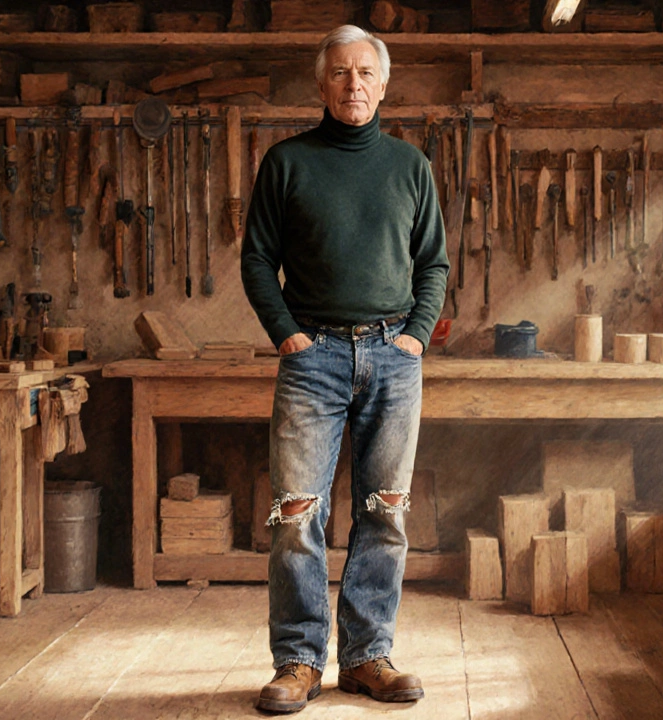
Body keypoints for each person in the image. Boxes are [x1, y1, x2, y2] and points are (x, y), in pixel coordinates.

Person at [240, 23, 450, 715]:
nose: (353, 84)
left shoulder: (410, 167)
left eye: (365, 73)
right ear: (320, 83)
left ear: (384, 84)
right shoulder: (287, 162)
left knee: (384, 512)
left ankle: (367, 658)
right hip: (314, 359)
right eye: (340, 73)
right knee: (296, 515)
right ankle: (298, 662)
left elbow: (433, 265)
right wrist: (287, 335)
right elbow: (256, 260)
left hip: (393, 356)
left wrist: (416, 336)